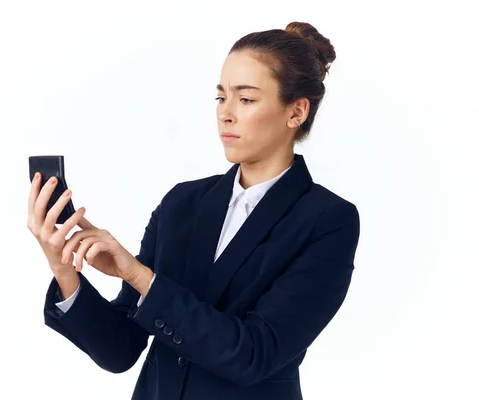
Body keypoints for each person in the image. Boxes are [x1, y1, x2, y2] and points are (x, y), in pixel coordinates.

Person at [27, 21, 361, 400]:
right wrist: (63, 268)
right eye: (221, 98)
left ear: (297, 111)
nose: (226, 113)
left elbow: (252, 355)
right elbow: (119, 351)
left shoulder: (327, 220)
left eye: (246, 99)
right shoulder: (182, 203)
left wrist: (139, 275)